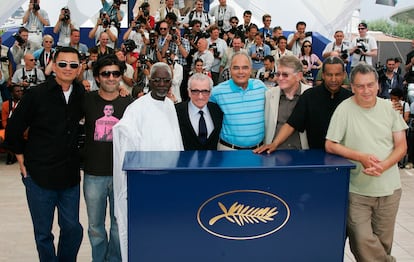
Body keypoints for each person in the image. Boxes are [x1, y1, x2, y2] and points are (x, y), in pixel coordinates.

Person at [3, 46, 84, 261]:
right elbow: (13, 130)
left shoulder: (81, 95)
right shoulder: (36, 95)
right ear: (53, 65)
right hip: (39, 176)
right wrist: (21, 163)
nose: (68, 68)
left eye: (73, 65)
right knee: (43, 234)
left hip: (69, 177)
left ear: (79, 68)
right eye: (63, 64)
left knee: (73, 229)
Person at [325, 62, 407, 262]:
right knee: (361, 240)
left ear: (378, 85)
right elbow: (330, 145)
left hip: (389, 189)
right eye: (360, 86)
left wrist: (384, 165)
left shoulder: (389, 108)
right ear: (352, 87)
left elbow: (402, 146)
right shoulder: (344, 109)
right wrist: (360, 157)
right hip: (357, 190)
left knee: (383, 243)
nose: (366, 90)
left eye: (370, 85)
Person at [112, 62, 184, 261]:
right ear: (149, 81)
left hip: (169, 182)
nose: (162, 84)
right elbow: (123, 138)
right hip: (145, 182)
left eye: (166, 80)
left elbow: (175, 141)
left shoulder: (170, 105)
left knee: (167, 231)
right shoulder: (136, 109)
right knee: (147, 233)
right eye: (157, 80)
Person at [83, 54, 133, 262]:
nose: (111, 78)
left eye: (115, 73)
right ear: (97, 77)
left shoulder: (128, 103)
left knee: (118, 225)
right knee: (95, 227)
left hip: (120, 173)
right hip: (93, 174)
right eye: (106, 74)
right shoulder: (86, 100)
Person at [254, 56, 352, 154]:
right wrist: (274, 144)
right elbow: (292, 123)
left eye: (337, 75)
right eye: (329, 75)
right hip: (313, 157)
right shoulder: (310, 95)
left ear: (344, 75)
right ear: (323, 75)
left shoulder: (351, 98)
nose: (333, 79)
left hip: (345, 154)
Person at [210, 52, 267, 150]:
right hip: (228, 150)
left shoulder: (261, 87)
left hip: (258, 151)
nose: (241, 72)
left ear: (251, 70)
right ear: (230, 70)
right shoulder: (217, 92)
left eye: (245, 67)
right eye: (236, 68)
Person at [176, 73, 223, 150]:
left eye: (205, 91)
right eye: (195, 91)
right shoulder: (177, 111)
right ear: (189, 92)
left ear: (210, 92)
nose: (200, 96)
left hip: (213, 161)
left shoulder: (217, 110)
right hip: (184, 160)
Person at [1, 84, 24, 164]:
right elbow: (4, 120)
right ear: (12, 94)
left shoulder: (26, 103)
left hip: (23, 128)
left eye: (21, 91)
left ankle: (15, 154)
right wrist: (9, 129)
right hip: (9, 128)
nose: (20, 93)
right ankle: (11, 154)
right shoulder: (5, 104)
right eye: (17, 91)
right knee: (5, 135)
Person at [0, 33, 14, 100]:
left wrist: (10, 78)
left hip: (5, 79)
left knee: (7, 99)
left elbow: (10, 64)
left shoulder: (6, 49)